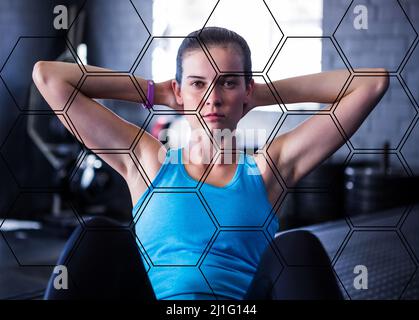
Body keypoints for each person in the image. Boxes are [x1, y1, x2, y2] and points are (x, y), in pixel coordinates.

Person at [33, 26, 389, 300]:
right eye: (198, 84)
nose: (214, 99)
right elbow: (50, 77)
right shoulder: (147, 162)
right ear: (179, 91)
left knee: (298, 247)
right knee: (95, 234)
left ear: (246, 90)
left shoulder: (268, 170)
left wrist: (259, 94)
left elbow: (371, 84)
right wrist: (152, 92)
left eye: (228, 84)